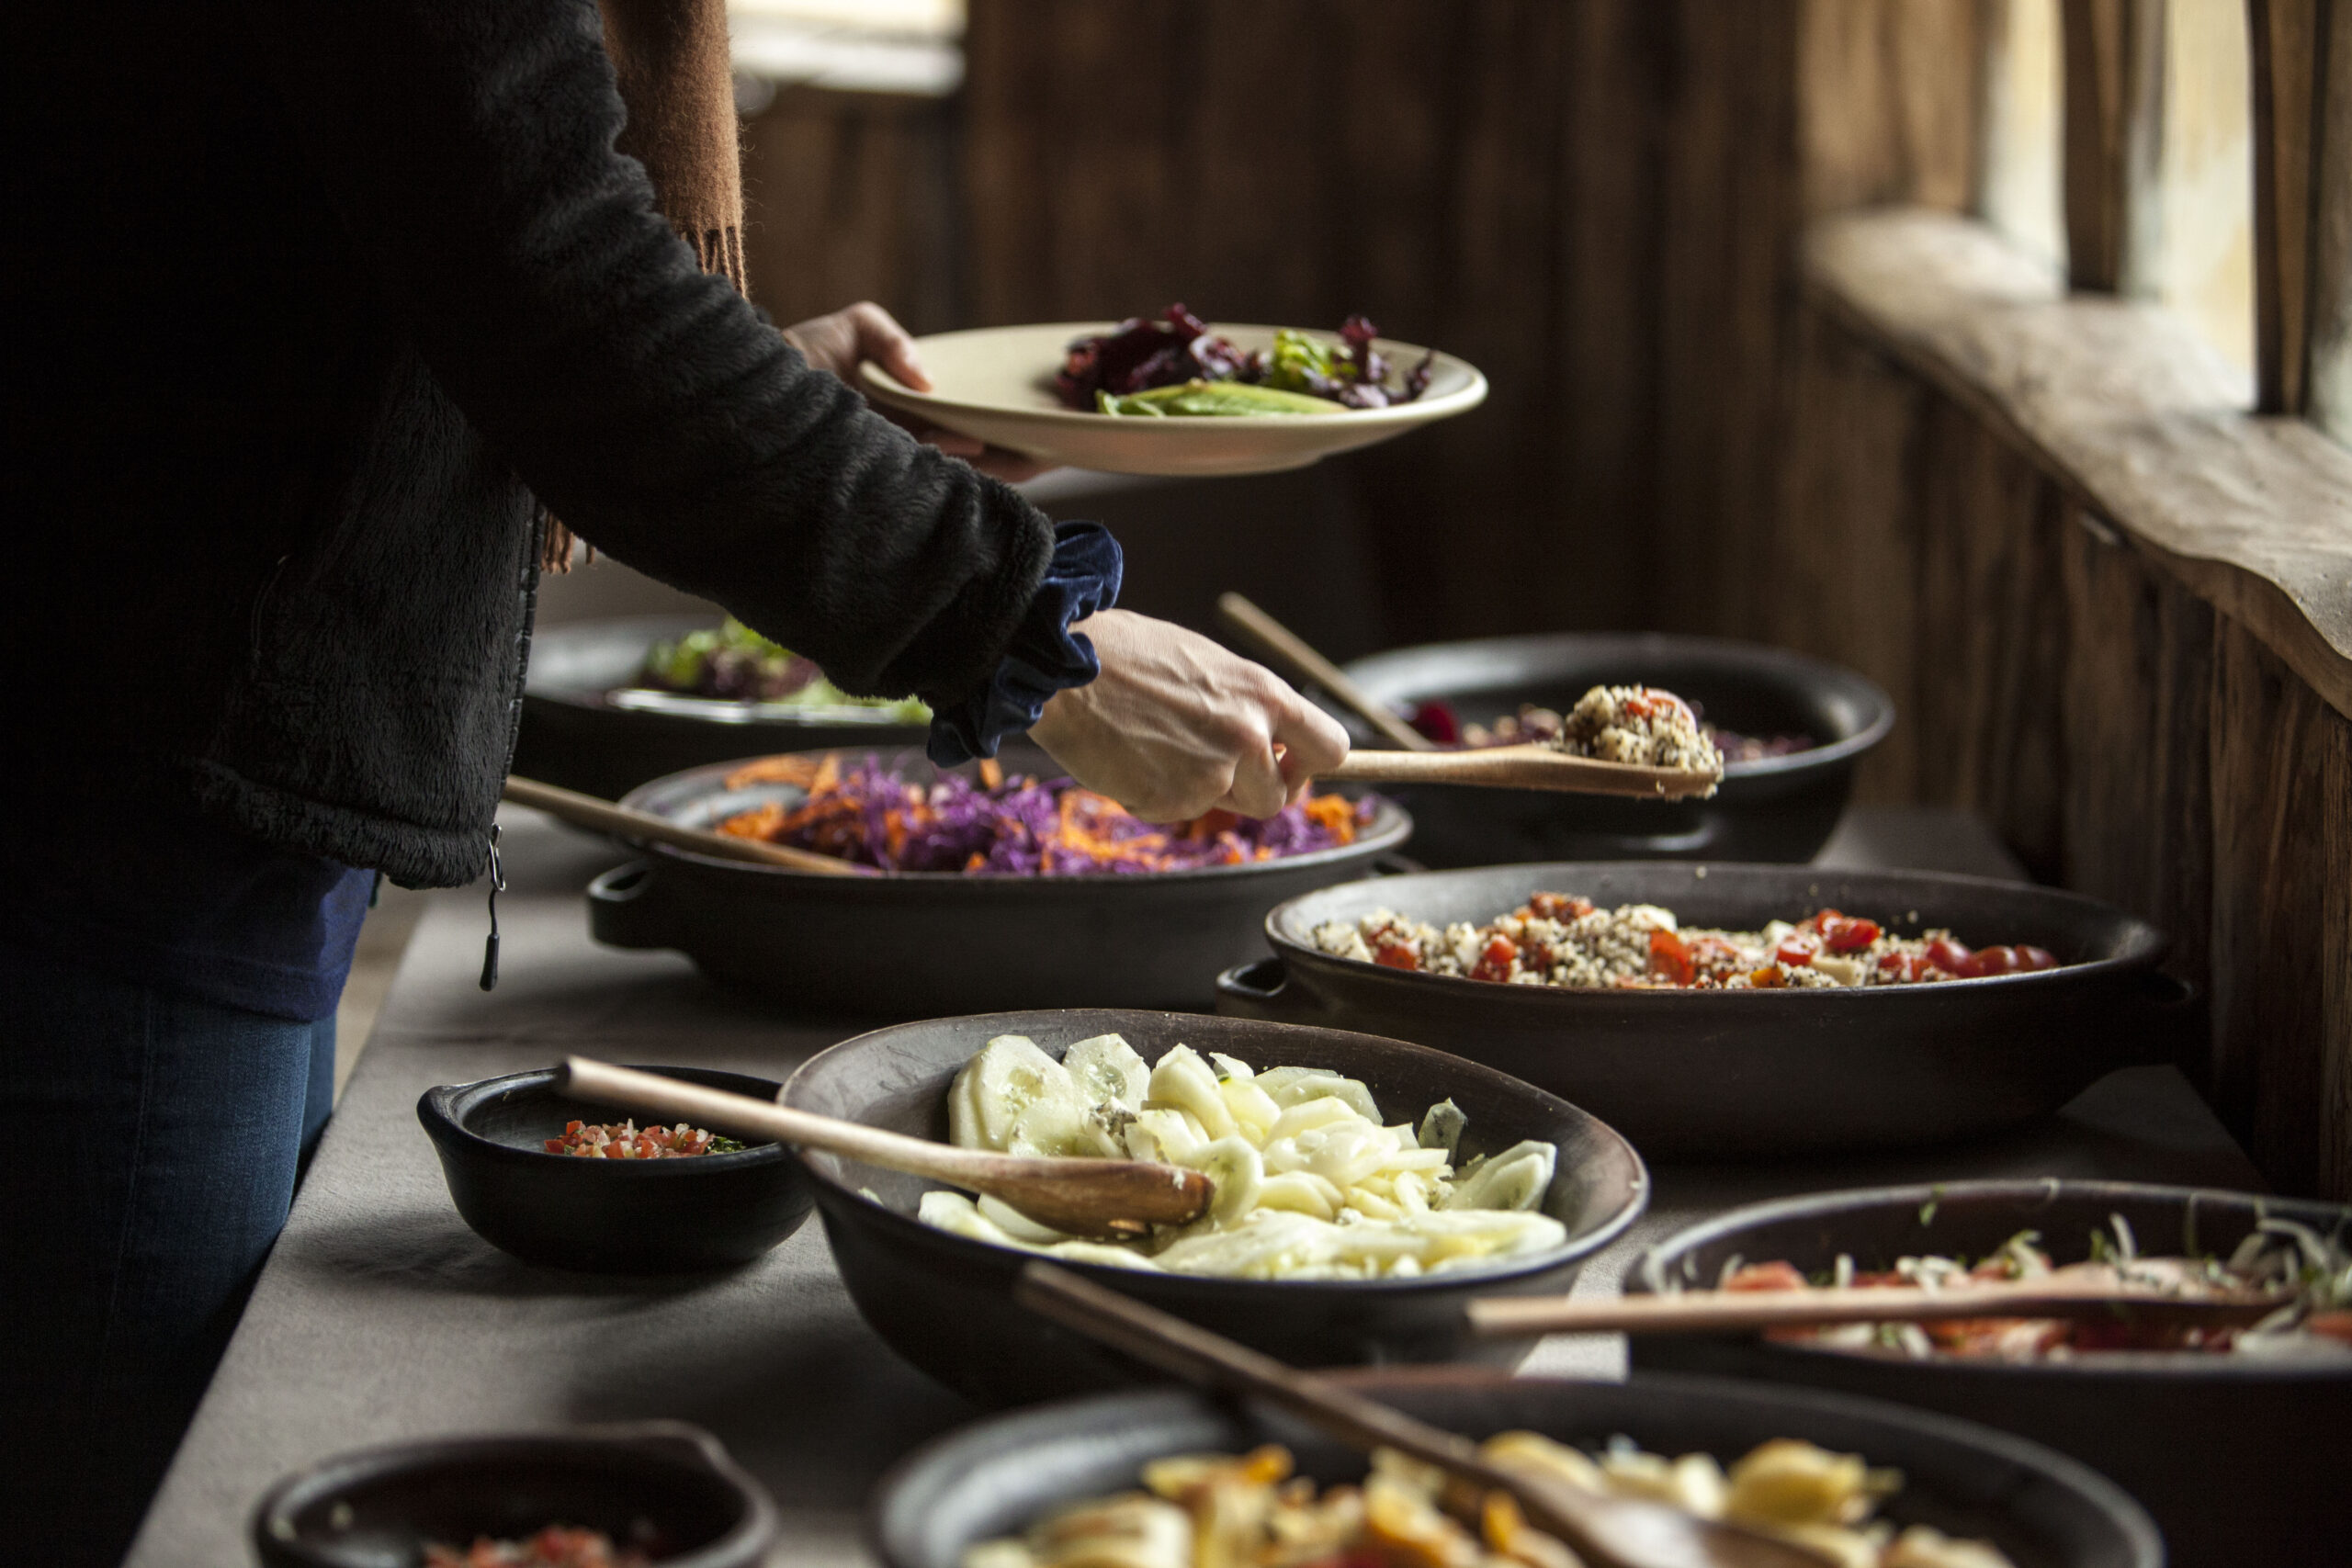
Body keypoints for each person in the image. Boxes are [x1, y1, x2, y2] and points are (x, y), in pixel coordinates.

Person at [0, 2, 1349, 1560]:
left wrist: (752, 383)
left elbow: (382, 217)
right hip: (110, 778)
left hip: (198, 758)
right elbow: (553, 282)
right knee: (136, 1501)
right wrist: (1029, 627)